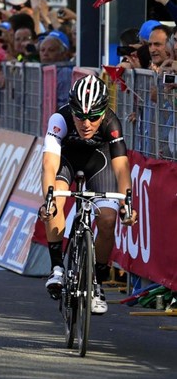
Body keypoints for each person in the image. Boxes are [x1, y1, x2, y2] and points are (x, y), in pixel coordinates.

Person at [38, 75, 139, 315]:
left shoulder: (112, 123)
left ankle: (98, 281)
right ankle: (56, 269)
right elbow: (49, 165)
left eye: (93, 117)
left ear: (103, 113)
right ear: (71, 111)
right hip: (67, 160)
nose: (86, 123)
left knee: (106, 220)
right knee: (57, 197)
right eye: (80, 116)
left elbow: (121, 168)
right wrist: (48, 200)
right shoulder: (59, 119)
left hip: (99, 162)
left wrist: (127, 202)